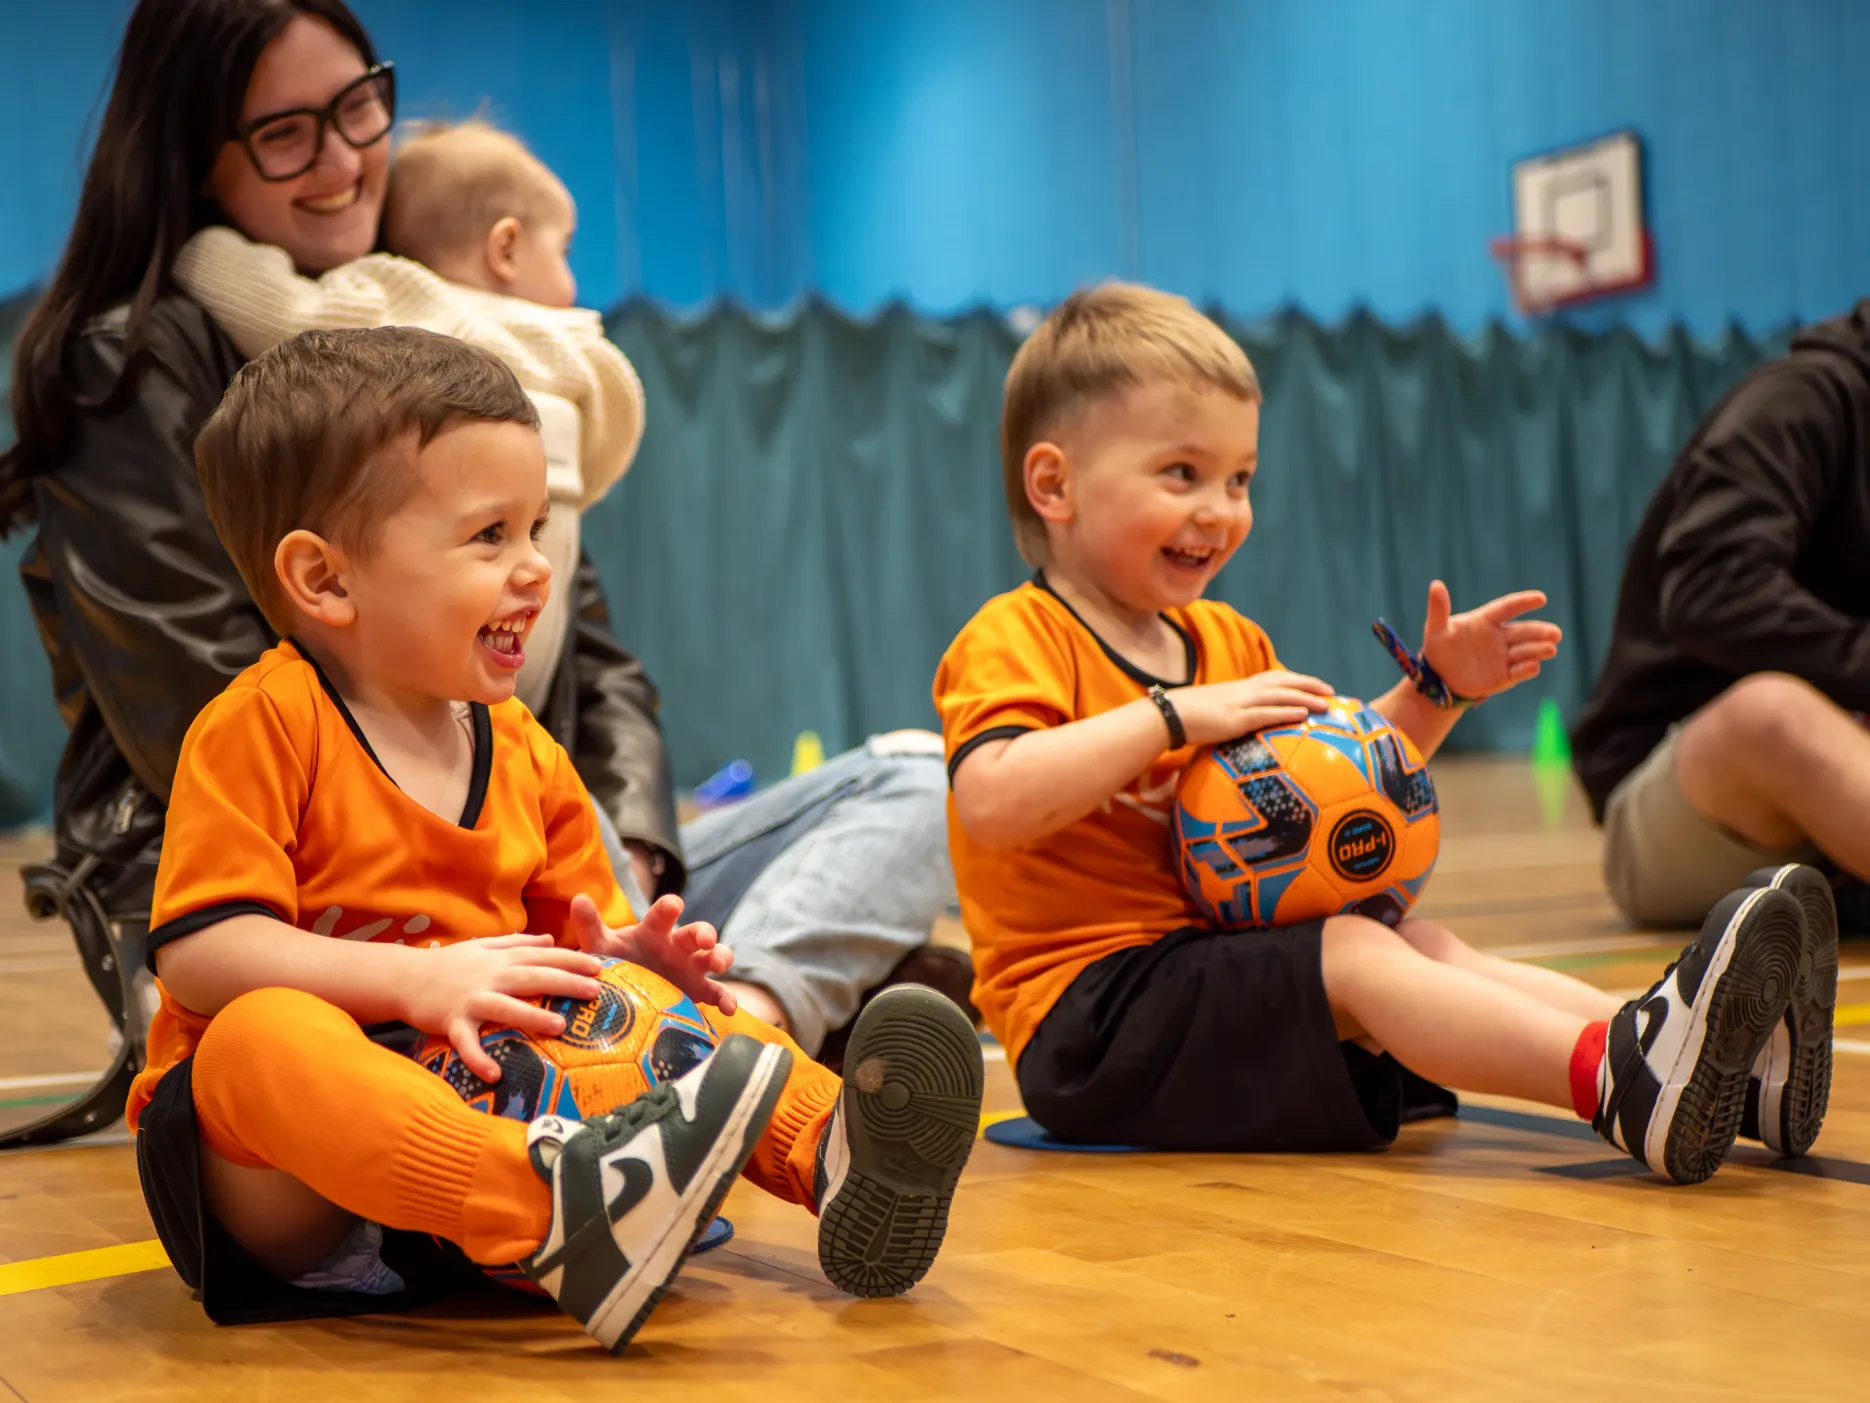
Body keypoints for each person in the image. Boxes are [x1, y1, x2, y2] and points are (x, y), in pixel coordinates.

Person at [0, 0, 963, 1070]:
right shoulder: (130, 362)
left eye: (361, 109)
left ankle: (740, 1018)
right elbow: (196, 703)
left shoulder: (444, 342)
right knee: (297, 1049)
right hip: (317, 903)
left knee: (920, 781)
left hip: (531, 850)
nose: (344, 159)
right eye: (285, 134)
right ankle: (697, 1034)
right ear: (192, 160)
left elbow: (595, 661)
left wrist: (627, 862)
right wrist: (495, 850)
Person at [133, 323, 983, 1349]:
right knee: (256, 1035)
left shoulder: (523, 749)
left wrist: (629, 958)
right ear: (326, 579)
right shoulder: (264, 722)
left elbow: (579, 949)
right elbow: (201, 949)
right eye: (488, 535)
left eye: (536, 527)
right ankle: (553, 1213)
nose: (535, 567)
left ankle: (838, 1150)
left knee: (647, 1005)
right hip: (295, 1193)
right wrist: (414, 982)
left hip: (488, 1115)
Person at [934, 281, 1836, 1182]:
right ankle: (1616, 1081)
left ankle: (1709, 1059)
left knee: (1421, 943)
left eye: (1240, 478)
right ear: (1054, 483)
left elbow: (1325, 790)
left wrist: (1436, 693)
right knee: (1358, 951)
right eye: (1182, 474)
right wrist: (1172, 715)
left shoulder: (1228, 641)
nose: (1221, 508)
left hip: (1206, 972)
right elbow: (992, 799)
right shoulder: (1015, 638)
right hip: (1088, 1025)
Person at [1571, 301, 1870, 939]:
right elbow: (1709, 588)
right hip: (1687, 791)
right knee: (1771, 717)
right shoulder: (1803, 400)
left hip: (1839, 797)